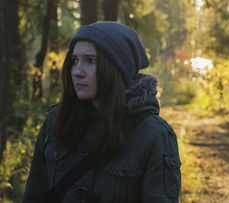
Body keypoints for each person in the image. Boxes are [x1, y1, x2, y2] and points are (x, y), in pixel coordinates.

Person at [23, 21, 181, 202]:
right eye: (74, 60)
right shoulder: (56, 119)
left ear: (117, 69)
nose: (77, 71)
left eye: (91, 61)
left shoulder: (153, 135)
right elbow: (34, 195)